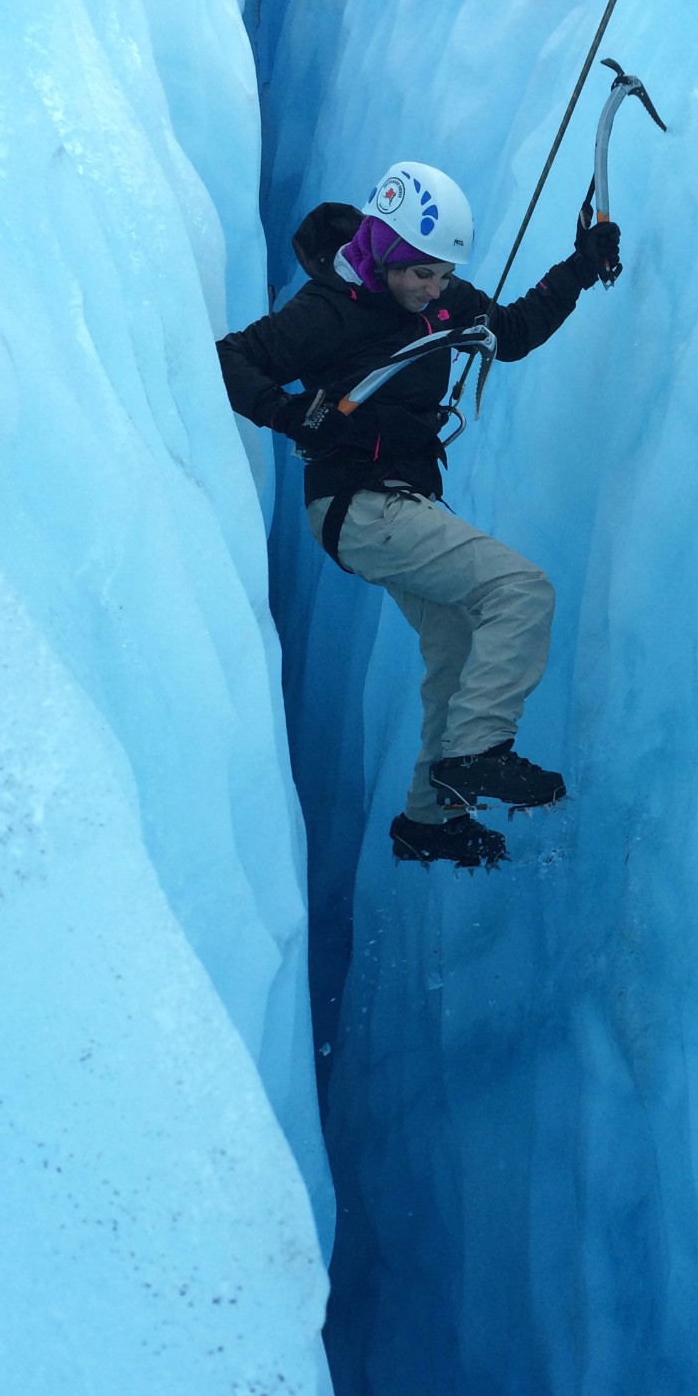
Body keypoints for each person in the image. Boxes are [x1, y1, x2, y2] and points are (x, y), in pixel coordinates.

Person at [217, 161, 620, 870]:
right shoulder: (329, 308)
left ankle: (430, 821)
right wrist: (289, 414)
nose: (434, 290)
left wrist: (580, 268)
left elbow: (512, 330)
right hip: (359, 506)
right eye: (421, 274)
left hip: (399, 503)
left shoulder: (441, 303)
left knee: (460, 644)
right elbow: (233, 358)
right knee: (519, 591)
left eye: (442, 276)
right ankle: (475, 753)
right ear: (386, 251)